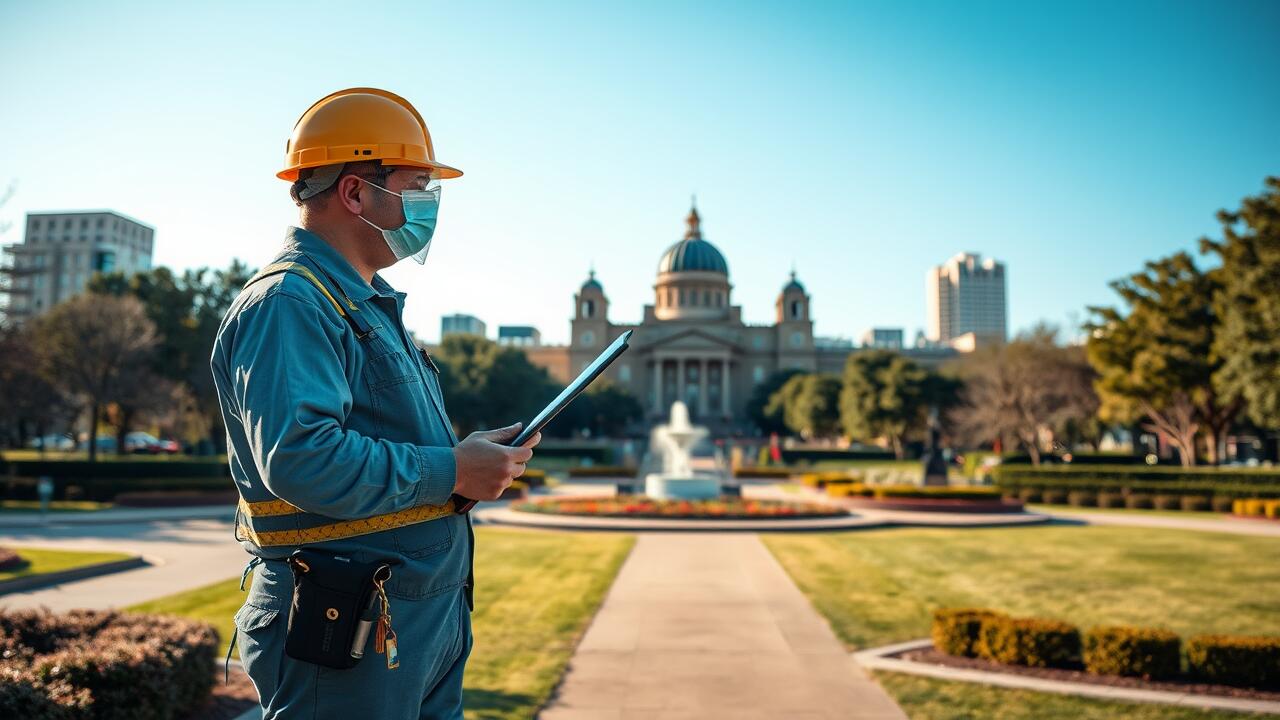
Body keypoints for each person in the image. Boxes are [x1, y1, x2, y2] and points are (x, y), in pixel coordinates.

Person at [210, 87, 539, 719]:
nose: (428, 205)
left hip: (409, 622)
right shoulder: (290, 302)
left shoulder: (366, 302)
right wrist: (452, 470)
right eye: (418, 184)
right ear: (356, 192)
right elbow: (302, 458)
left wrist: (467, 464)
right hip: (349, 627)